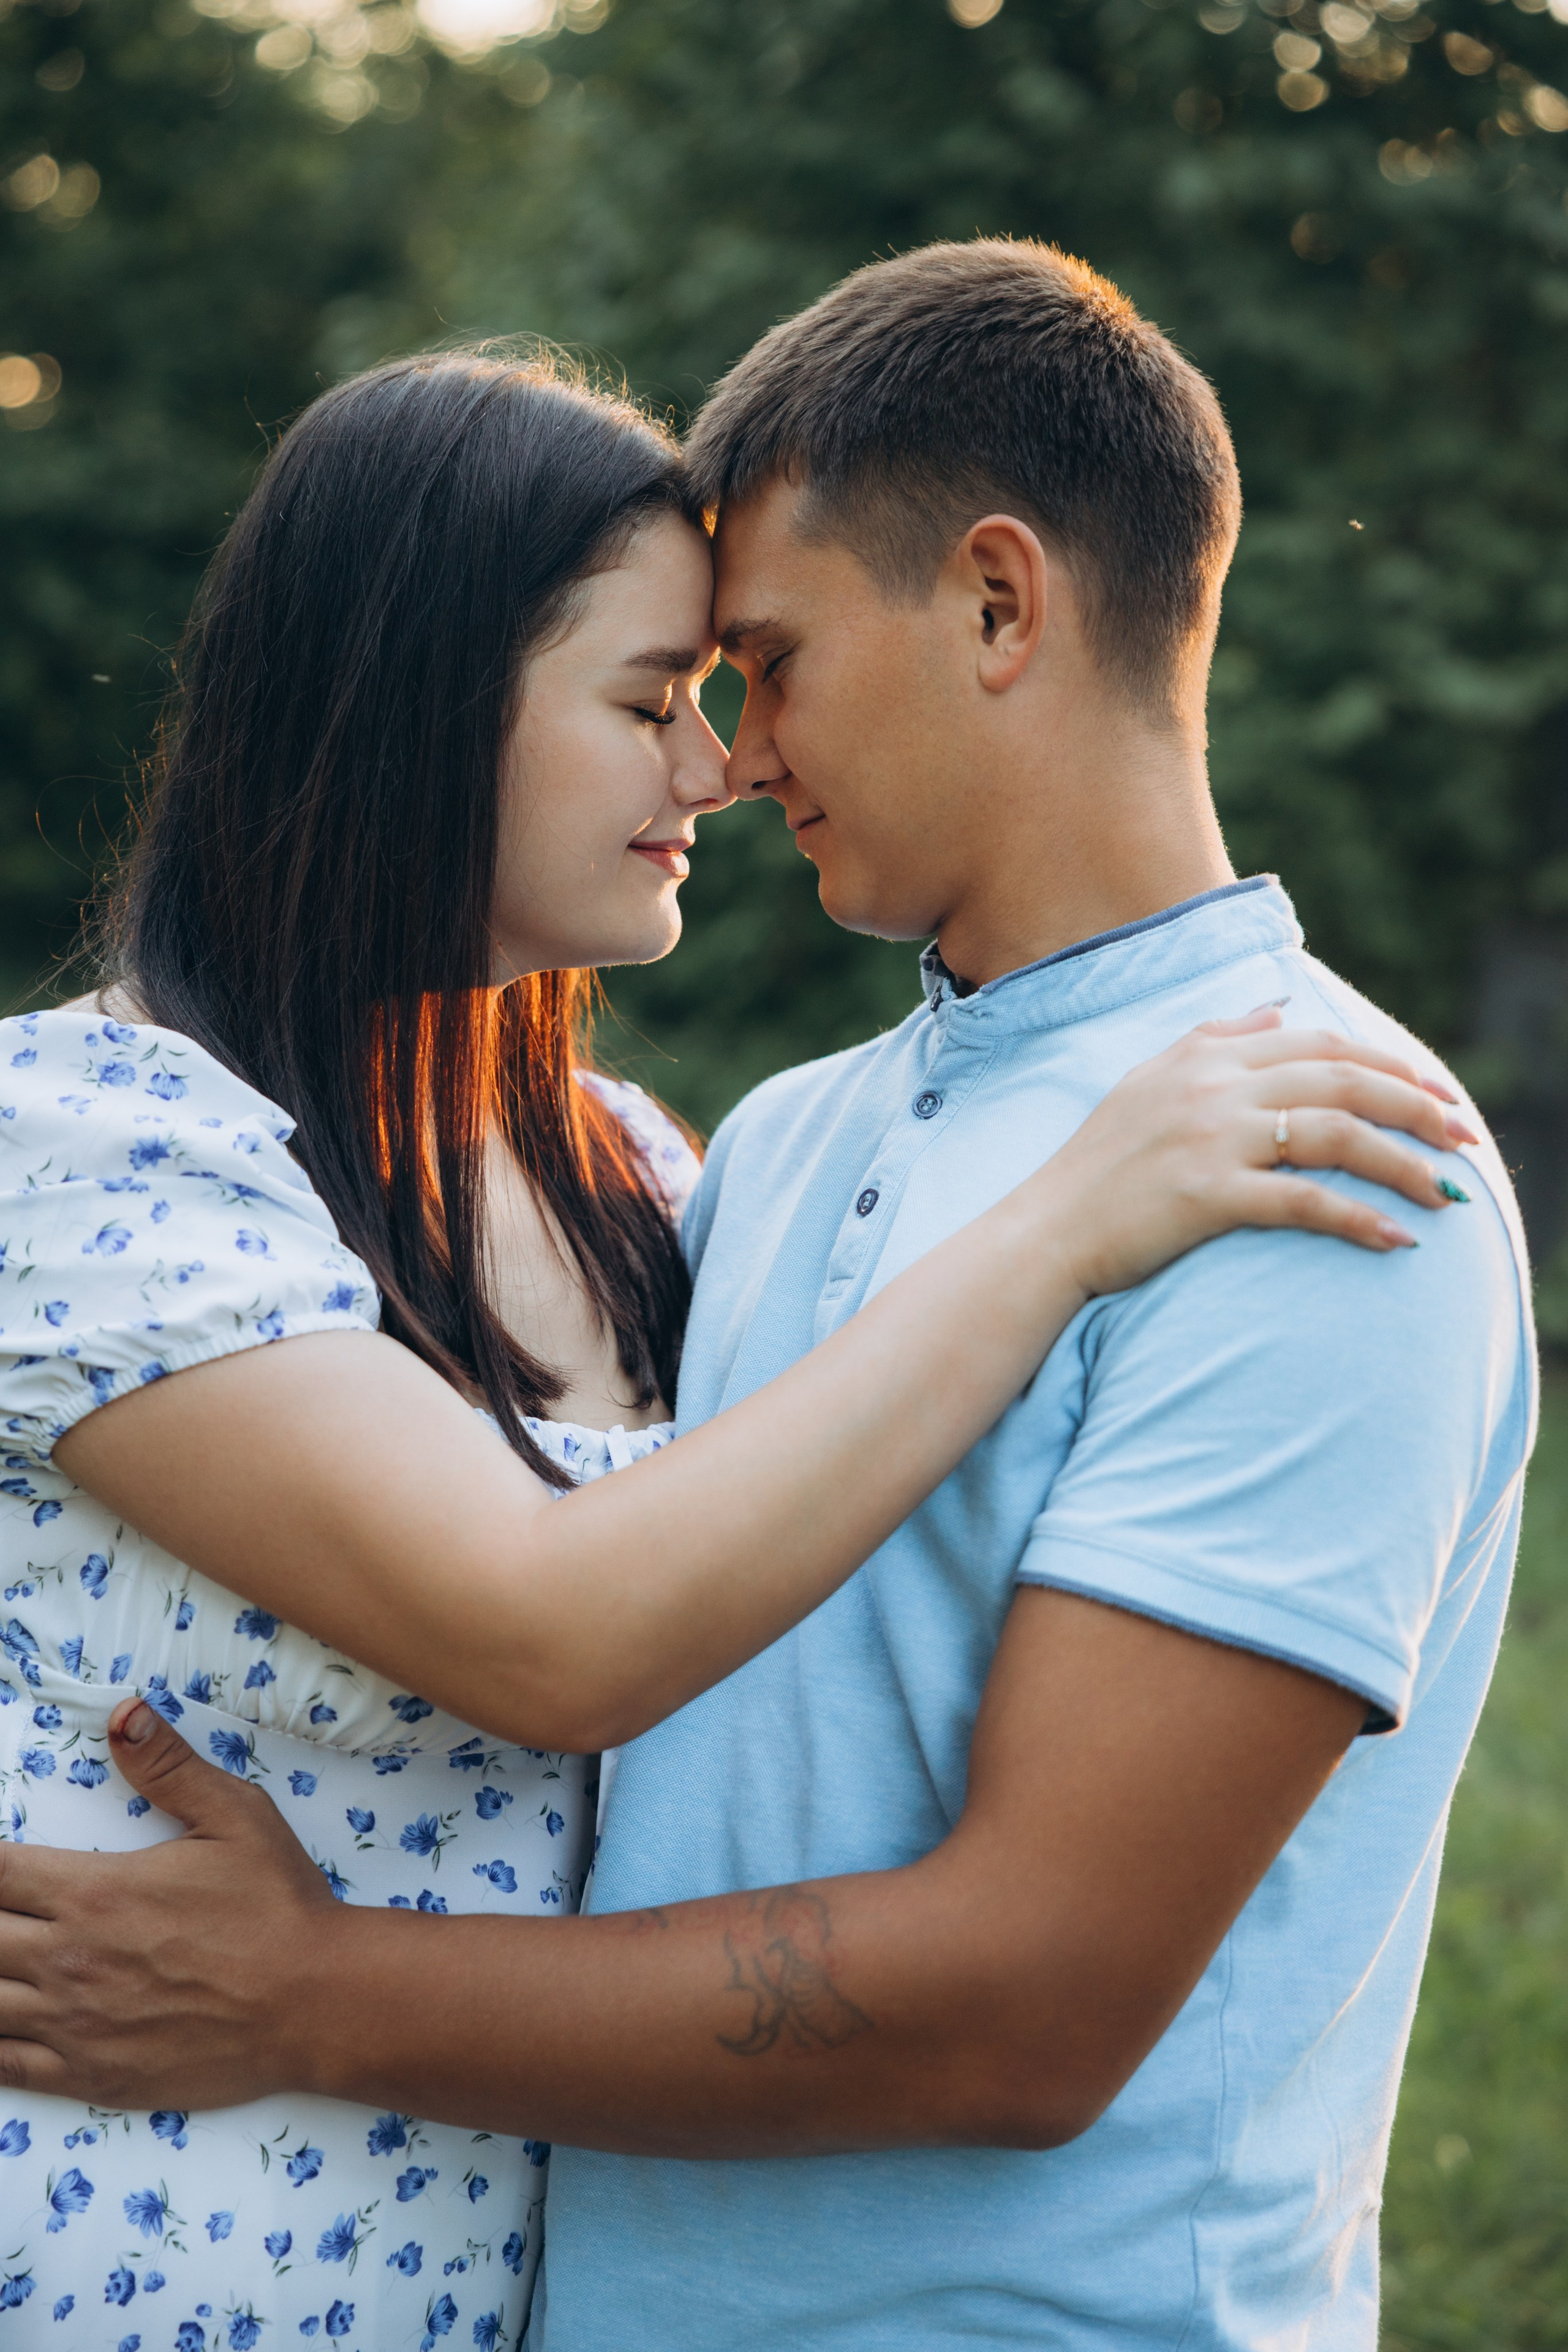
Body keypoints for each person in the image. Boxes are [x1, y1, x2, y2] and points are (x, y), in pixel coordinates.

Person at [0, 245, 1530, 2352]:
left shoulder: (1309, 1143)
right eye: (674, 692)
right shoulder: (780, 1146)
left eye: (765, 662)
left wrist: (312, 1994)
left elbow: (1023, 2013)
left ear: (1000, 604)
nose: (729, 757)